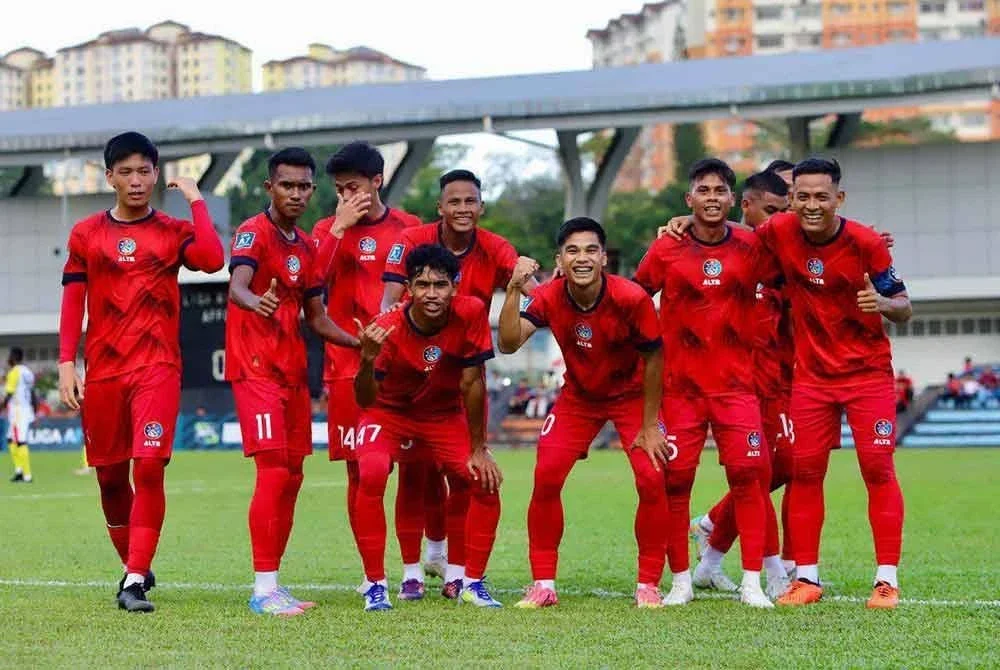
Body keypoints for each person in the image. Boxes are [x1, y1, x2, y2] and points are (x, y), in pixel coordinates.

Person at [57, 131, 225, 612]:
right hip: (105, 373)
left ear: (156, 173)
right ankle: (137, 562)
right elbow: (73, 302)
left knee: (149, 466)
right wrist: (67, 361)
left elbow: (213, 259)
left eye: (145, 171)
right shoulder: (86, 234)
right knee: (110, 479)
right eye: (126, 172)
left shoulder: (172, 232)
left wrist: (196, 201)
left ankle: (132, 579)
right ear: (109, 177)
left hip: (157, 368)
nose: (136, 180)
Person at [753, 158, 912, 609]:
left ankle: (886, 580)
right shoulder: (780, 232)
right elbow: (732, 235)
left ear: (838, 198)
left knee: (877, 471)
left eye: (821, 196)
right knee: (805, 474)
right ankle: (806, 578)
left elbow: (904, 306)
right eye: (802, 196)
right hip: (812, 380)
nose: (811, 205)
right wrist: (687, 221)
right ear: (791, 200)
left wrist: (880, 301)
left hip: (868, 377)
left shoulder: (865, 243)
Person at [379, 169, 536, 600]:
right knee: (414, 476)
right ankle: (418, 566)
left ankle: (458, 572)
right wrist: (390, 339)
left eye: (471, 202)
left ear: (481, 207)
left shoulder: (495, 249)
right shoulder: (413, 241)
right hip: (410, 380)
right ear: (440, 207)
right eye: (455, 202)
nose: (463, 209)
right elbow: (390, 302)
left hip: (463, 379)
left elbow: (536, 295)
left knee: (469, 475)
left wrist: (531, 286)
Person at [498, 217, 670, 609]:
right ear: (560, 258)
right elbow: (508, 344)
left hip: (631, 396)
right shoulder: (549, 296)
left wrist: (649, 425)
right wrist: (511, 290)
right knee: (546, 476)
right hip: (579, 398)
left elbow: (655, 358)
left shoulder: (631, 298)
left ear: (604, 258)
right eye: (573, 250)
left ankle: (648, 584)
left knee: (651, 478)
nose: (582, 258)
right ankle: (543, 584)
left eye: (591, 250)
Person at [634, 158, 774, 608]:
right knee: (675, 485)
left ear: (732, 199)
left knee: (749, 479)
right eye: (703, 190)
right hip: (681, 391)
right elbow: (636, 300)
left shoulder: (753, 246)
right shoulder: (667, 247)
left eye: (720, 190)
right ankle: (680, 583)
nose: (712, 197)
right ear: (688, 199)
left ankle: (752, 582)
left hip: (737, 388)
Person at [227, 147, 361, 617]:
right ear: (270, 188)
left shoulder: (305, 246)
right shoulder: (252, 232)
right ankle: (262, 589)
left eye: (305, 186)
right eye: (288, 185)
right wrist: (251, 302)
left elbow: (318, 319)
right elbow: (238, 284)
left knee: (295, 475)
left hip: (292, 375)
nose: (298, 193)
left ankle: (274, 583)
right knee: (274, 472)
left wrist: (358, 343)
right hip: (255, 369)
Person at [352, 243, 503, 611]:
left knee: (481, 478)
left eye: (440, 285)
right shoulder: (387, 327)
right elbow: (365, 400)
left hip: (440, 414)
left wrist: (478, 447)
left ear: (455, 286)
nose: (431, 294)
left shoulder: (472, 312)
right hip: (387, 413)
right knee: (370, 472)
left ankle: (471, 580)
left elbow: (472, 383)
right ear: (408, 288)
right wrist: (367, 360)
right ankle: (375, 584)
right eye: (422, 285)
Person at [311, 141, 422, 595]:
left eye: (353, 188)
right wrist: (338, 229)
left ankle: (418, 566)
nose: (346, 198)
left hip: (404, 368)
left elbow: (424, 291)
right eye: (338, 190)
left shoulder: (410, 228)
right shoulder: (326, 229)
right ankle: (370, 572)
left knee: (415, 468)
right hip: (345, 368)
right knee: (360, 472)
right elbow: (309, 287)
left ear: (377, 182)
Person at [684, 170, 795, 597]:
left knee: (780, 469)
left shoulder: (783, 251)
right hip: (742, 383)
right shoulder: (727, 248)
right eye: (771, 210)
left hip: (786, 378)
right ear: (744, 205)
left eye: (785, 212)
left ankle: (710, 538)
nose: (779, 220)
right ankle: (775, 572)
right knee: (762, 471)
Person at [3, 347, 35, 483]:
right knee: (11, 439)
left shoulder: (14, 372)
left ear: (13, 357)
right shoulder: (27, 372)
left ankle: (27, 475)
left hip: (18, 410)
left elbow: (9, 394)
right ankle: (19, 470)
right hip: (25, 408)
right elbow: (32, 391)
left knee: (20, 441)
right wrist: (34, 408)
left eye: (9, 356)